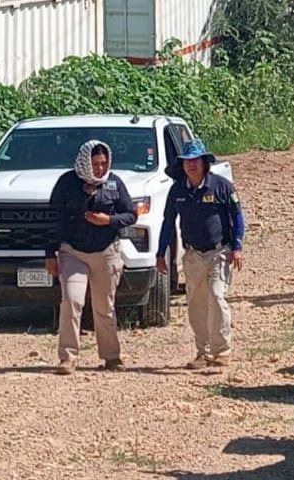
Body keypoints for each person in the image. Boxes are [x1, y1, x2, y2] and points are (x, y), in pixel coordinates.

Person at [46, 140, 137, 375]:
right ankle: (68, 358)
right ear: (85, 161)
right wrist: (49, 254)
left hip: (106, 253)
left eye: (104, 163)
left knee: (104, 307)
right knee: (72, 300)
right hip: (72, 252)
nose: (100, 168)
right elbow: (53, 219)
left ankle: (111, 357)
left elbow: (131, 214)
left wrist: (109, 220)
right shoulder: (67, 183)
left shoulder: (114, 182)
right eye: (95, 163)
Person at [156, 138, 245, 370]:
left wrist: (237, 247)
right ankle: (203, 353)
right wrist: (160, 254)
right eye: (187, 161)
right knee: (196, 304)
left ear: (205, 162)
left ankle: (221, 351)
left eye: (196, 160)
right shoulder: (177, 190)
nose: (191, 164)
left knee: (216, 296)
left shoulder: (222, 186)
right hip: (192, 254)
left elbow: (237, 216)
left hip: (220, 252)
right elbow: (168, 223)